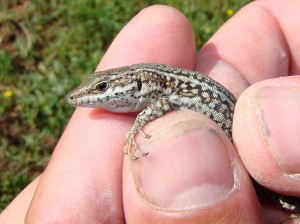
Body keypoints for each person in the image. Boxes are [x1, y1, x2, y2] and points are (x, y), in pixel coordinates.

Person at [1, 1, 299, 223]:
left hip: (236, 133)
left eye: (103, 87)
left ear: (136, 83)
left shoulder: (157, 90)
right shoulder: (151, 82)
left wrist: (139, 124)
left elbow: (164, 104)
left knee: (277, 197)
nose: (90, 96)